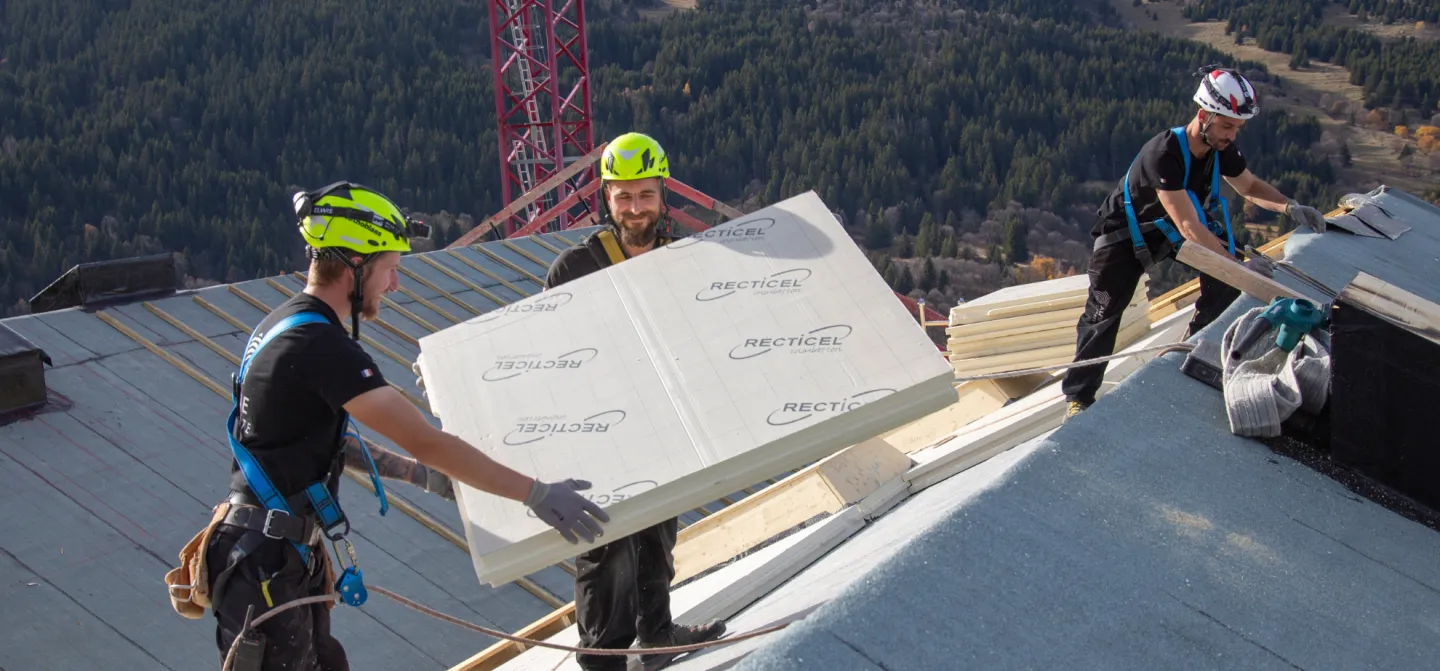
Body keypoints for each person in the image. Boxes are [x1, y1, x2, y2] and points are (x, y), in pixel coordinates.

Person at [200, 181, 608, 670]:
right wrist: (536, 494)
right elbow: (426, 440)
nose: (394, 285)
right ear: (355, 264)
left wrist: (419, 476)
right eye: (390, 268)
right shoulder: (319, 346)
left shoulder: (282, 325)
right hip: (266, 563)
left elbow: (317, 441)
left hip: (266, 555)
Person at [545, 132, 728, 671]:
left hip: (663, 416)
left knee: (658, 530)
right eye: (623, 196)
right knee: (605, 545)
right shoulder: (574, 269)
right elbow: (549, 355)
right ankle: (602, 657)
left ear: (661, 194)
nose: (634, 208)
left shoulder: (682, 261)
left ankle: (658, 634)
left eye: (644, 195)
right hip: (598, 424)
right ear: (606, 198)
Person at [1062, 66, 1328, 420]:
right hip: (1126, 236)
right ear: (1204, 115)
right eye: (1227, 126)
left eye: (1237, 128)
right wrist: (1237, 266)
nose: (1232, 135)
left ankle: (1191, 348)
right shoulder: (1164, 153)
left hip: (1171, 230)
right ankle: (1079, 398)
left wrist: (1289, 206)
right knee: (1103, 314)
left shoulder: (1220, 148)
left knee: (1226, 285)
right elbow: (1189, 226)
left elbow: (1248, 186)